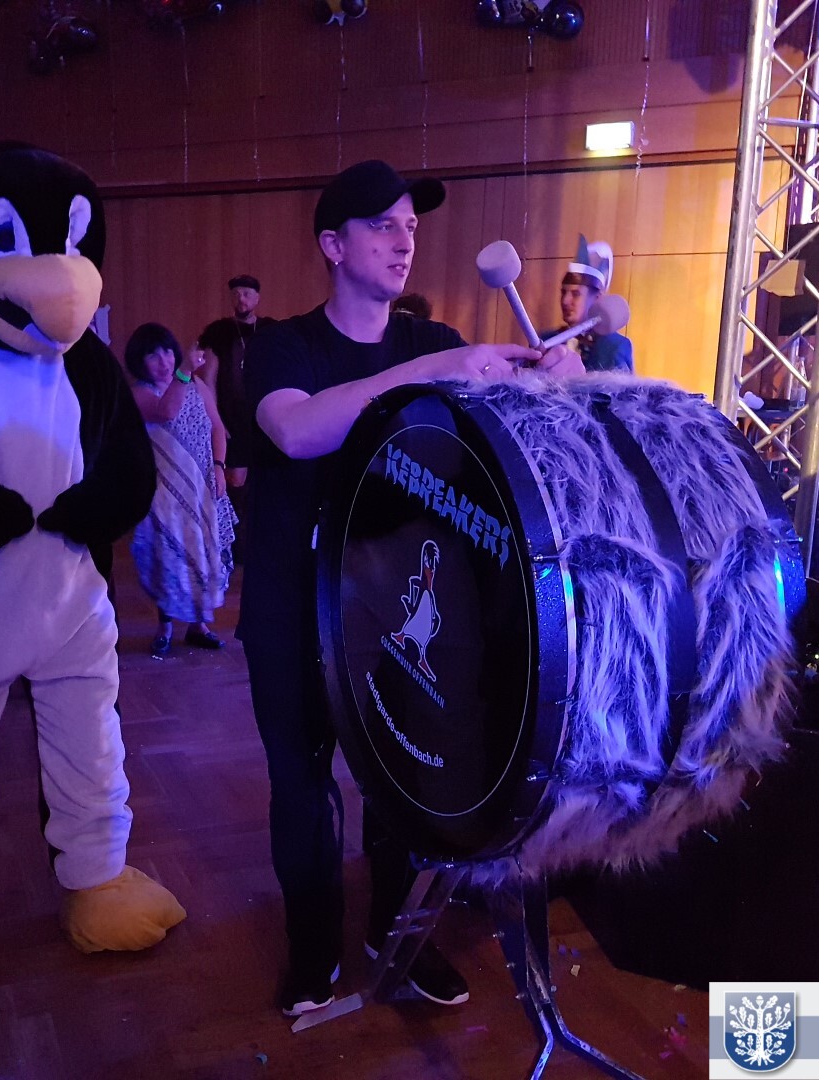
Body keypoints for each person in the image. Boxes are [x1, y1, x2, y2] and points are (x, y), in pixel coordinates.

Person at [240, 159, 582, 1017]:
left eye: (412, 227)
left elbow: (512, 435)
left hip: (393, 606)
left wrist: (556, 383)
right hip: (291, 601)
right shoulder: (283, 344)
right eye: (383, 225)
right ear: (333, 245)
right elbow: (296, 429)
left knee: (402, 779)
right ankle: (313, 953)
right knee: (302, 783)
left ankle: (394, 936)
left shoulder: (432, 344)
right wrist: (445, 367)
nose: (405, 241)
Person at [124, 322, 236, 654]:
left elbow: (217, 428)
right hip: (165, 493)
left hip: (202, 486)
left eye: (167, 352)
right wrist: (184, 371)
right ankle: (165, 627)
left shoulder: (197, 385)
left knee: (202, 554)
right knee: (169, 559)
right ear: (139, 361)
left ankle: (198, 626)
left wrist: (219, 467)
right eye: (152, 355)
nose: (164, 361)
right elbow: (167, 411)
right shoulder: (139, 393)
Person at [197, 275, 276, 501]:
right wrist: (216, 421)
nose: (241, 299)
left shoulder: (271, 330)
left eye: (247, 294)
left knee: (266, 479)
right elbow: (208, 379)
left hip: (264, 416)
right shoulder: (218, 331)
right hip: (231, 417)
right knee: (235, 481)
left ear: (257, 298)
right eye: (236, 294)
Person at [546, 235, 634, 374]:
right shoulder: (546, 340)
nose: (565, 301)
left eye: (576, 294)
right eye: (563, 292)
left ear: (597, 298)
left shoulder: (614, 347)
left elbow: (621, 388)